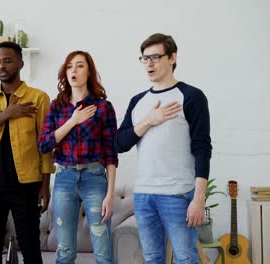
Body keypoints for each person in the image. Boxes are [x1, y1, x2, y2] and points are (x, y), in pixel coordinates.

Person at [115, 33, 212, 263]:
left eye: (156, 57)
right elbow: (119, 143)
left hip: (178, 195)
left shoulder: (191, 96)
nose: (149, 63)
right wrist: (149, 120)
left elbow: (202, 148)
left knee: (186, 258)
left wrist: (198, 198)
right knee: (152, 258)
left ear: (172, 58)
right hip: (143, 196)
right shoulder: (138, 101)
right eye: (145, 58)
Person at [0, 41, 54, 264]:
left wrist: (45, 185)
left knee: (30, 245)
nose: (1, 66)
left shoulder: (38, 98)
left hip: (25, 185)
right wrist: (3, 115)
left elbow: (45, 145)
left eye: (7, 60)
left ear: (20, 64)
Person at [38, 51, 118, 264]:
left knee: (103, 251)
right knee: (64, 251)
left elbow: (111, 154)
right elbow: (44, 144)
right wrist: (73, 121)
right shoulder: (57, 106)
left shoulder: (103, 107)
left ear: (89, 71)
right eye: (70, 66)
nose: (74, 70)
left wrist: (110, 195)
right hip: (64, 179)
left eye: (80, 65)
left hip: (95, 178)